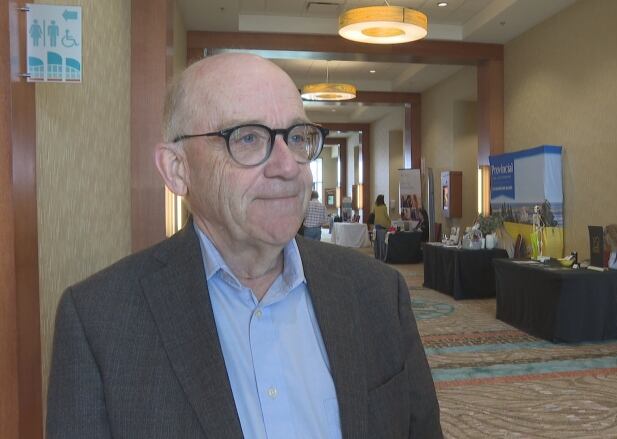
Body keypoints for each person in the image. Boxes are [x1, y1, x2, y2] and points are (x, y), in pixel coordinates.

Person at [46, 53, 441, 438]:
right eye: (248, 138)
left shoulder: (376, 291)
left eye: (297, 137)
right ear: (177, 170)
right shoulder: (101, 322)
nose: (288, 167)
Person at [371, 194, 391, 260]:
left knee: (377, 241)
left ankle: (377, 256)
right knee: (382, 243)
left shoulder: (375, 206)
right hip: (383, 226)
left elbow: (373, 213)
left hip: (376, 225)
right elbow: (386, 216)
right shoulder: (384, 207)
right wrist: (390, 222)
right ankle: (382, 257)